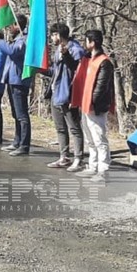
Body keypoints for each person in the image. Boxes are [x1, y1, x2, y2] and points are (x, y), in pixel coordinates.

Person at [71, 30, 115, 182]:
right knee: (90, 138)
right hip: (85, 104)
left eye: (87, 41)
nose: (85, 43)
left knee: (99, 138)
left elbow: (101, 87)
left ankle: (103, 169)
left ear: (92, 42)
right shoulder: (88, 59)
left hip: (95, 106)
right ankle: (92, 166)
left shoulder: (104, 62)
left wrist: (92, 102)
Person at [45, 23, 86, 169]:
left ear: (58, 35)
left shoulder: (76, 49)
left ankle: (79, 158)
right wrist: (41, 70)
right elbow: (55, 71)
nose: (51, 37)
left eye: (53, 34)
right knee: (60, 128)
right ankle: (64, 157)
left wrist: (67, 55)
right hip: (56, 93)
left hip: (68, 94)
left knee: (74, 127)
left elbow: (77, 69)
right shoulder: (58, 50)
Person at [0, 14, 33, 156]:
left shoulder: (24, 40)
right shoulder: (15, 39)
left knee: (22, 114)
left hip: (19, 81)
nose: (9, 28)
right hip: (11, 79)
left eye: (11, 25)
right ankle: (17, 141)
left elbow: (13, 51)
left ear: (17, 25)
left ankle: (24, 145)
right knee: (16, 113)